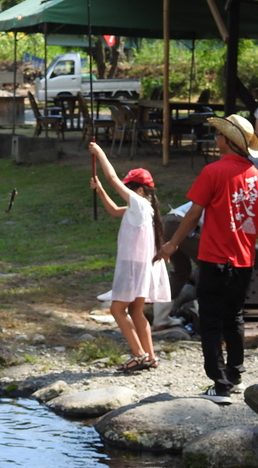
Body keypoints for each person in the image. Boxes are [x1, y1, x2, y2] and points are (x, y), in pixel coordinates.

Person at [155, 114, 258, 405]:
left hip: (214, 260)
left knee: (211, 322)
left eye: (219, 135)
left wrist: (173, 244)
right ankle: (235, 376)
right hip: (244, 263)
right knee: (235, 318)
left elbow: (192, 213)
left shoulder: (213, 172)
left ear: (228, 141)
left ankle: (220, 385)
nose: (216, 138)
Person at [89, 143, 171, 373]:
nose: (127, 192)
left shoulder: (138, 203)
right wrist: (100, 190)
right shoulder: (146, 207)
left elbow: (112, 176)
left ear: (141, 190)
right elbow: (115, 210)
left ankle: (139, 355)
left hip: (133, 268)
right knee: (136, 311)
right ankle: (151, 357)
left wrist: (99, 152)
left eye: (130, 188)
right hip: (142, 268)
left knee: (117, 310)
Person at [152, 201, 201, 331]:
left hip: (169, 222)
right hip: (178, 223)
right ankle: (206, 313)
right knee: (208, 262)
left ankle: (160, 319)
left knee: (181, 271)